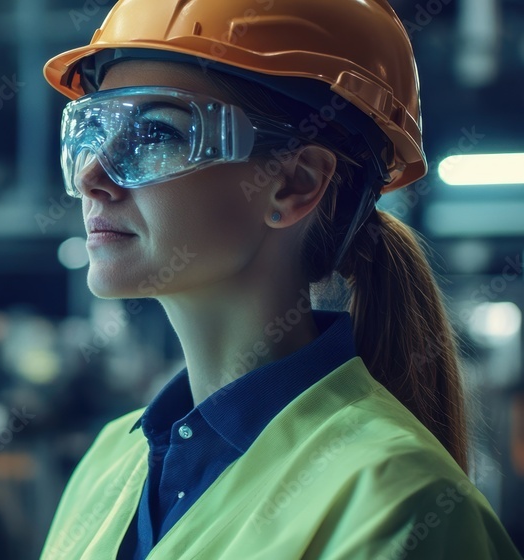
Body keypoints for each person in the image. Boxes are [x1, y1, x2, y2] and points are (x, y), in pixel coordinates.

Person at [38, 0, 524, 558]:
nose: (92, 175)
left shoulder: (397, 504)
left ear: (295, 184)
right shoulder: (108, 463)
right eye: (93, 130)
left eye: (155, 134)